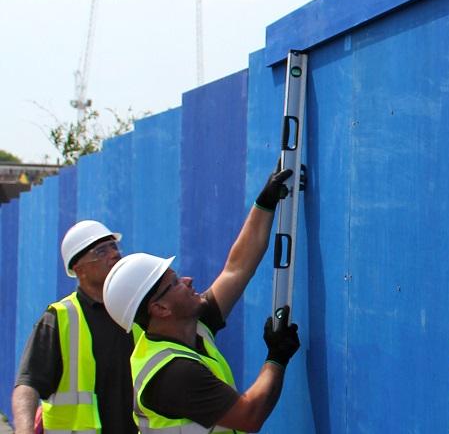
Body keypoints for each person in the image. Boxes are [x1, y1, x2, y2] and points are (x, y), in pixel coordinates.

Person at [101, 167, 301, 433]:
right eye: (174, 283)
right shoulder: (172, 373)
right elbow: (249, 416)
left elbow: (237, 268)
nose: (188, 281)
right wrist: (277, 358)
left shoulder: (192, 326)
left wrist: (264, 203)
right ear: (160, 308)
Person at [11, 220, 138, 434]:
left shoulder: (136, 310)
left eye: (114, 246)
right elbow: (27, 384)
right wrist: (24, 430)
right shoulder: (60, 318)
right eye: (101, 251)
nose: (114, 254)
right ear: (79, 269)